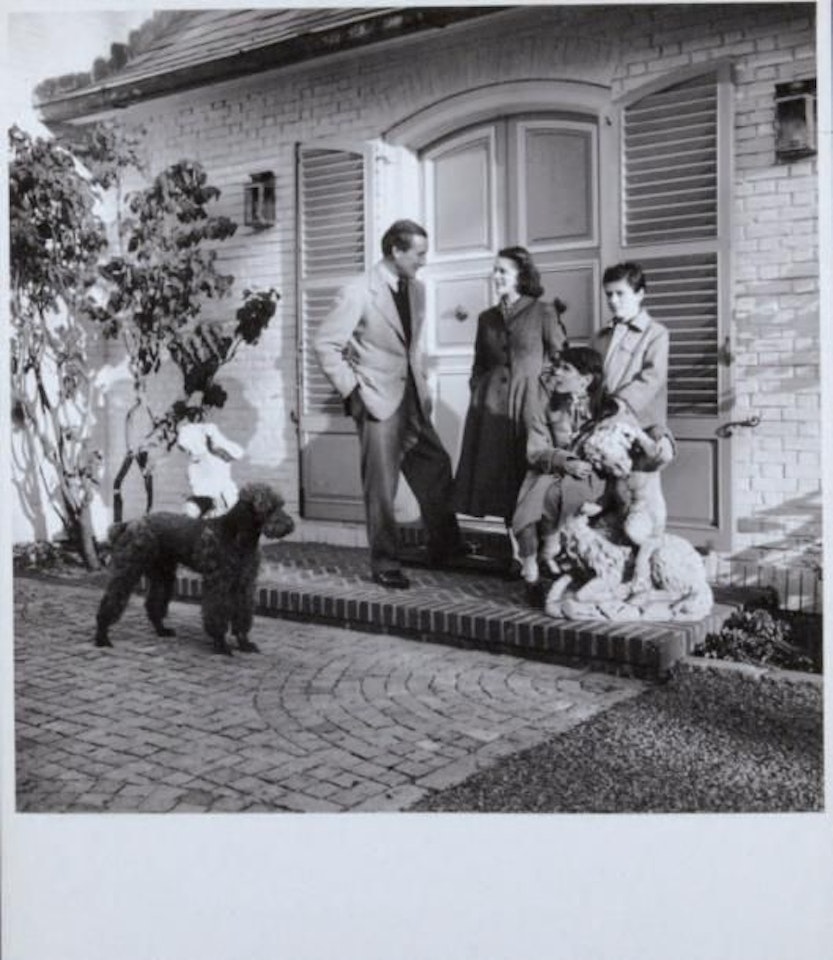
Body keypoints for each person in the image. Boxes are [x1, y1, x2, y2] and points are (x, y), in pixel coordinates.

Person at [314, 219, 469, 589]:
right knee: (382, 487)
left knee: (435, 465)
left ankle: (445, 547)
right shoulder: (358, 291)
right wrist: (354, 391)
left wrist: (423, 388)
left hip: (412, 397)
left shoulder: (416, 290)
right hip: (376, 400)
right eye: (418, 254)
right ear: (396, 251)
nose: (424, 261)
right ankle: (384, 562)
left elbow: (410, 346)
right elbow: (325, 344)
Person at [453, 246, 565, 568]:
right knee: (500, 479)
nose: (496, 276)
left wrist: (543, 397)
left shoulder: (543, 312)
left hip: (530, 407)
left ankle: (546, 553)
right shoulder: (486, 318)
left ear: (521, 275)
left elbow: (558, 361)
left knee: (530, 477)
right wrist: (479, 392)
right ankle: (518, 556)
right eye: (495, 270)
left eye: (503, 270)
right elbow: (478, 365)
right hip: (491, 410)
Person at [511, 346, 612, 584]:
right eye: (557, 366)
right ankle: (532, 566)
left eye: (565, 368)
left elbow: (620, 441)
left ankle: (553, 552)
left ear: (585, 380)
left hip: (594, 477)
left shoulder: (607, 408)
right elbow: (535, 450)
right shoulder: (544, 406)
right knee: (531, 502)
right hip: (550, 470)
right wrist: (564, 462)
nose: (556, 372)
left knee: (564, 495)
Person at [593, 261, 669, 429]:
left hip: (639, 425)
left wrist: (618, 404)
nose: (613, 300)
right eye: (609, 294)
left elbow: (652, 378)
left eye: (620, 293)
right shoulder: (600, 336)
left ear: (640, 294)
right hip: (602, 422)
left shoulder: (655, 333)